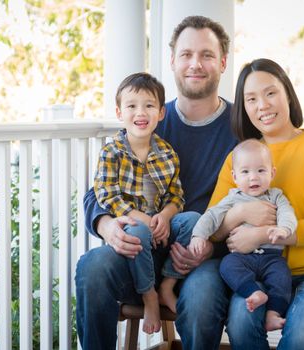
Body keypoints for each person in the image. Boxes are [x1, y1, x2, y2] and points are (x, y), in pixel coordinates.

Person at [76, 15, 237, 349]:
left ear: (222, 62)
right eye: (186, 54)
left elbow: (253, 202)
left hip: (203, 256)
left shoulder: (239, 129)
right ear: (172, 62)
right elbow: (98, 192)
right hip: (140, 246)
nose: (196, 64)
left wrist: (211, 246)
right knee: (92, 267)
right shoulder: (147, 117)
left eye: (206, 55)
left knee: (203, 298)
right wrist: (107, 227)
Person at [210, 58, 304, 350]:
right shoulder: (239, 159)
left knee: (300, 335)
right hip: (260, 273)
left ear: (287, 94)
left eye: (270, 93)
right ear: (244, 108)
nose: (262, 105)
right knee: (240, 323)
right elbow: (215, 228)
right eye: (251, 99)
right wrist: (239, 213)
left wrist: (263, 234)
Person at [93, 72, 197, 333]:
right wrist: (144, 220)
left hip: (161, 228)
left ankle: (166, 286)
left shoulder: (166, 152)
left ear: (161, 113)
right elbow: (107, 195)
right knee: (138, 232)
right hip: (133, 226)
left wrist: (165, 216)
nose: (141, 112)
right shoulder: (112, 152)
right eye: (131, 106)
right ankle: (149, 293)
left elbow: (176, 196)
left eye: (149, 105)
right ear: (119, 112)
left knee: (193, 220)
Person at [189, 138, 297, 332]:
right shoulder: (233, 198)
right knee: (227, 265)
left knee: (282, 277)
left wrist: (284, 229)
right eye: (245, 172)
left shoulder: (276, 196)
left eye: (260, 171)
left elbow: (287, 213)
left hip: (272, 258)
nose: (253, 178)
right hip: (241, 257)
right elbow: (212, 216)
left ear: (272, 173)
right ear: (235, 176)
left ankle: (273, 314)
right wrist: (199, 236)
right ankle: (253, 292)